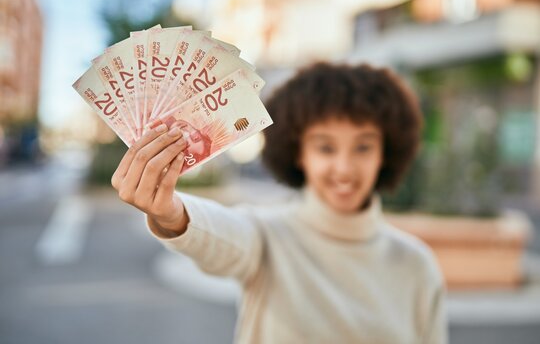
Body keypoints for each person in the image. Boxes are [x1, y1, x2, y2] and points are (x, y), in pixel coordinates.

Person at [111, 62, 448, 344]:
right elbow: (222, 235)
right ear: (298, 153)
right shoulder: (267, 237)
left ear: (385, 153)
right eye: (325, 148)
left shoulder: (416, 265)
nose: (344, 167)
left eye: (363, 147)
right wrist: (170, 214)